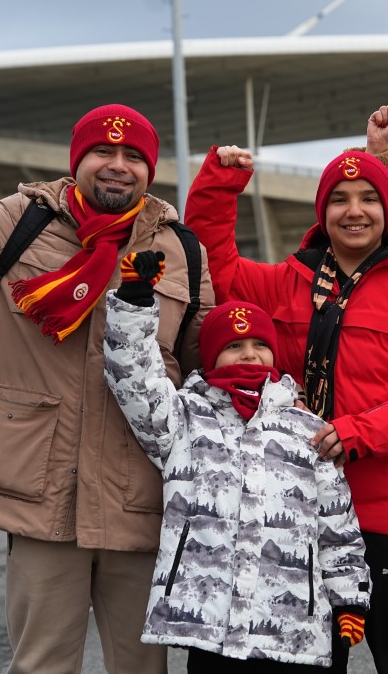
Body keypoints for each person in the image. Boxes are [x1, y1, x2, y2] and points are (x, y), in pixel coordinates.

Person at [0, 99, 213, 673]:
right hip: (42, 495)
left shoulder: (181, 251)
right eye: (102, 151)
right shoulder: (18, 223)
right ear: (76, 159)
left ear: (149, 170)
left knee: (144, 668)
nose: (117, 165)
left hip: (140, 494)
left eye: (133, 156)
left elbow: (206, 363)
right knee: (42, 665)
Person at [183, 105, 388, 674]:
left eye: (368, 198)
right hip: (295, 511)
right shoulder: (286, 282)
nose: (354, 210)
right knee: (308, 663)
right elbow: (215, 264)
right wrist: (220, 184)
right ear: (322, 212)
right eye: (339, 199)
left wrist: (354, 433)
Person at [103, 250, 371, 672]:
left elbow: (336, 519)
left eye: (260, 345)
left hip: (290, 626)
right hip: (210, 625)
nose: (249, 354)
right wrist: (134, 302)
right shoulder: (184, 417)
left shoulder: (306, 427)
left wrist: (349, 598)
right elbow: (134, 379)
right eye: (234, 346)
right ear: (211, 356)